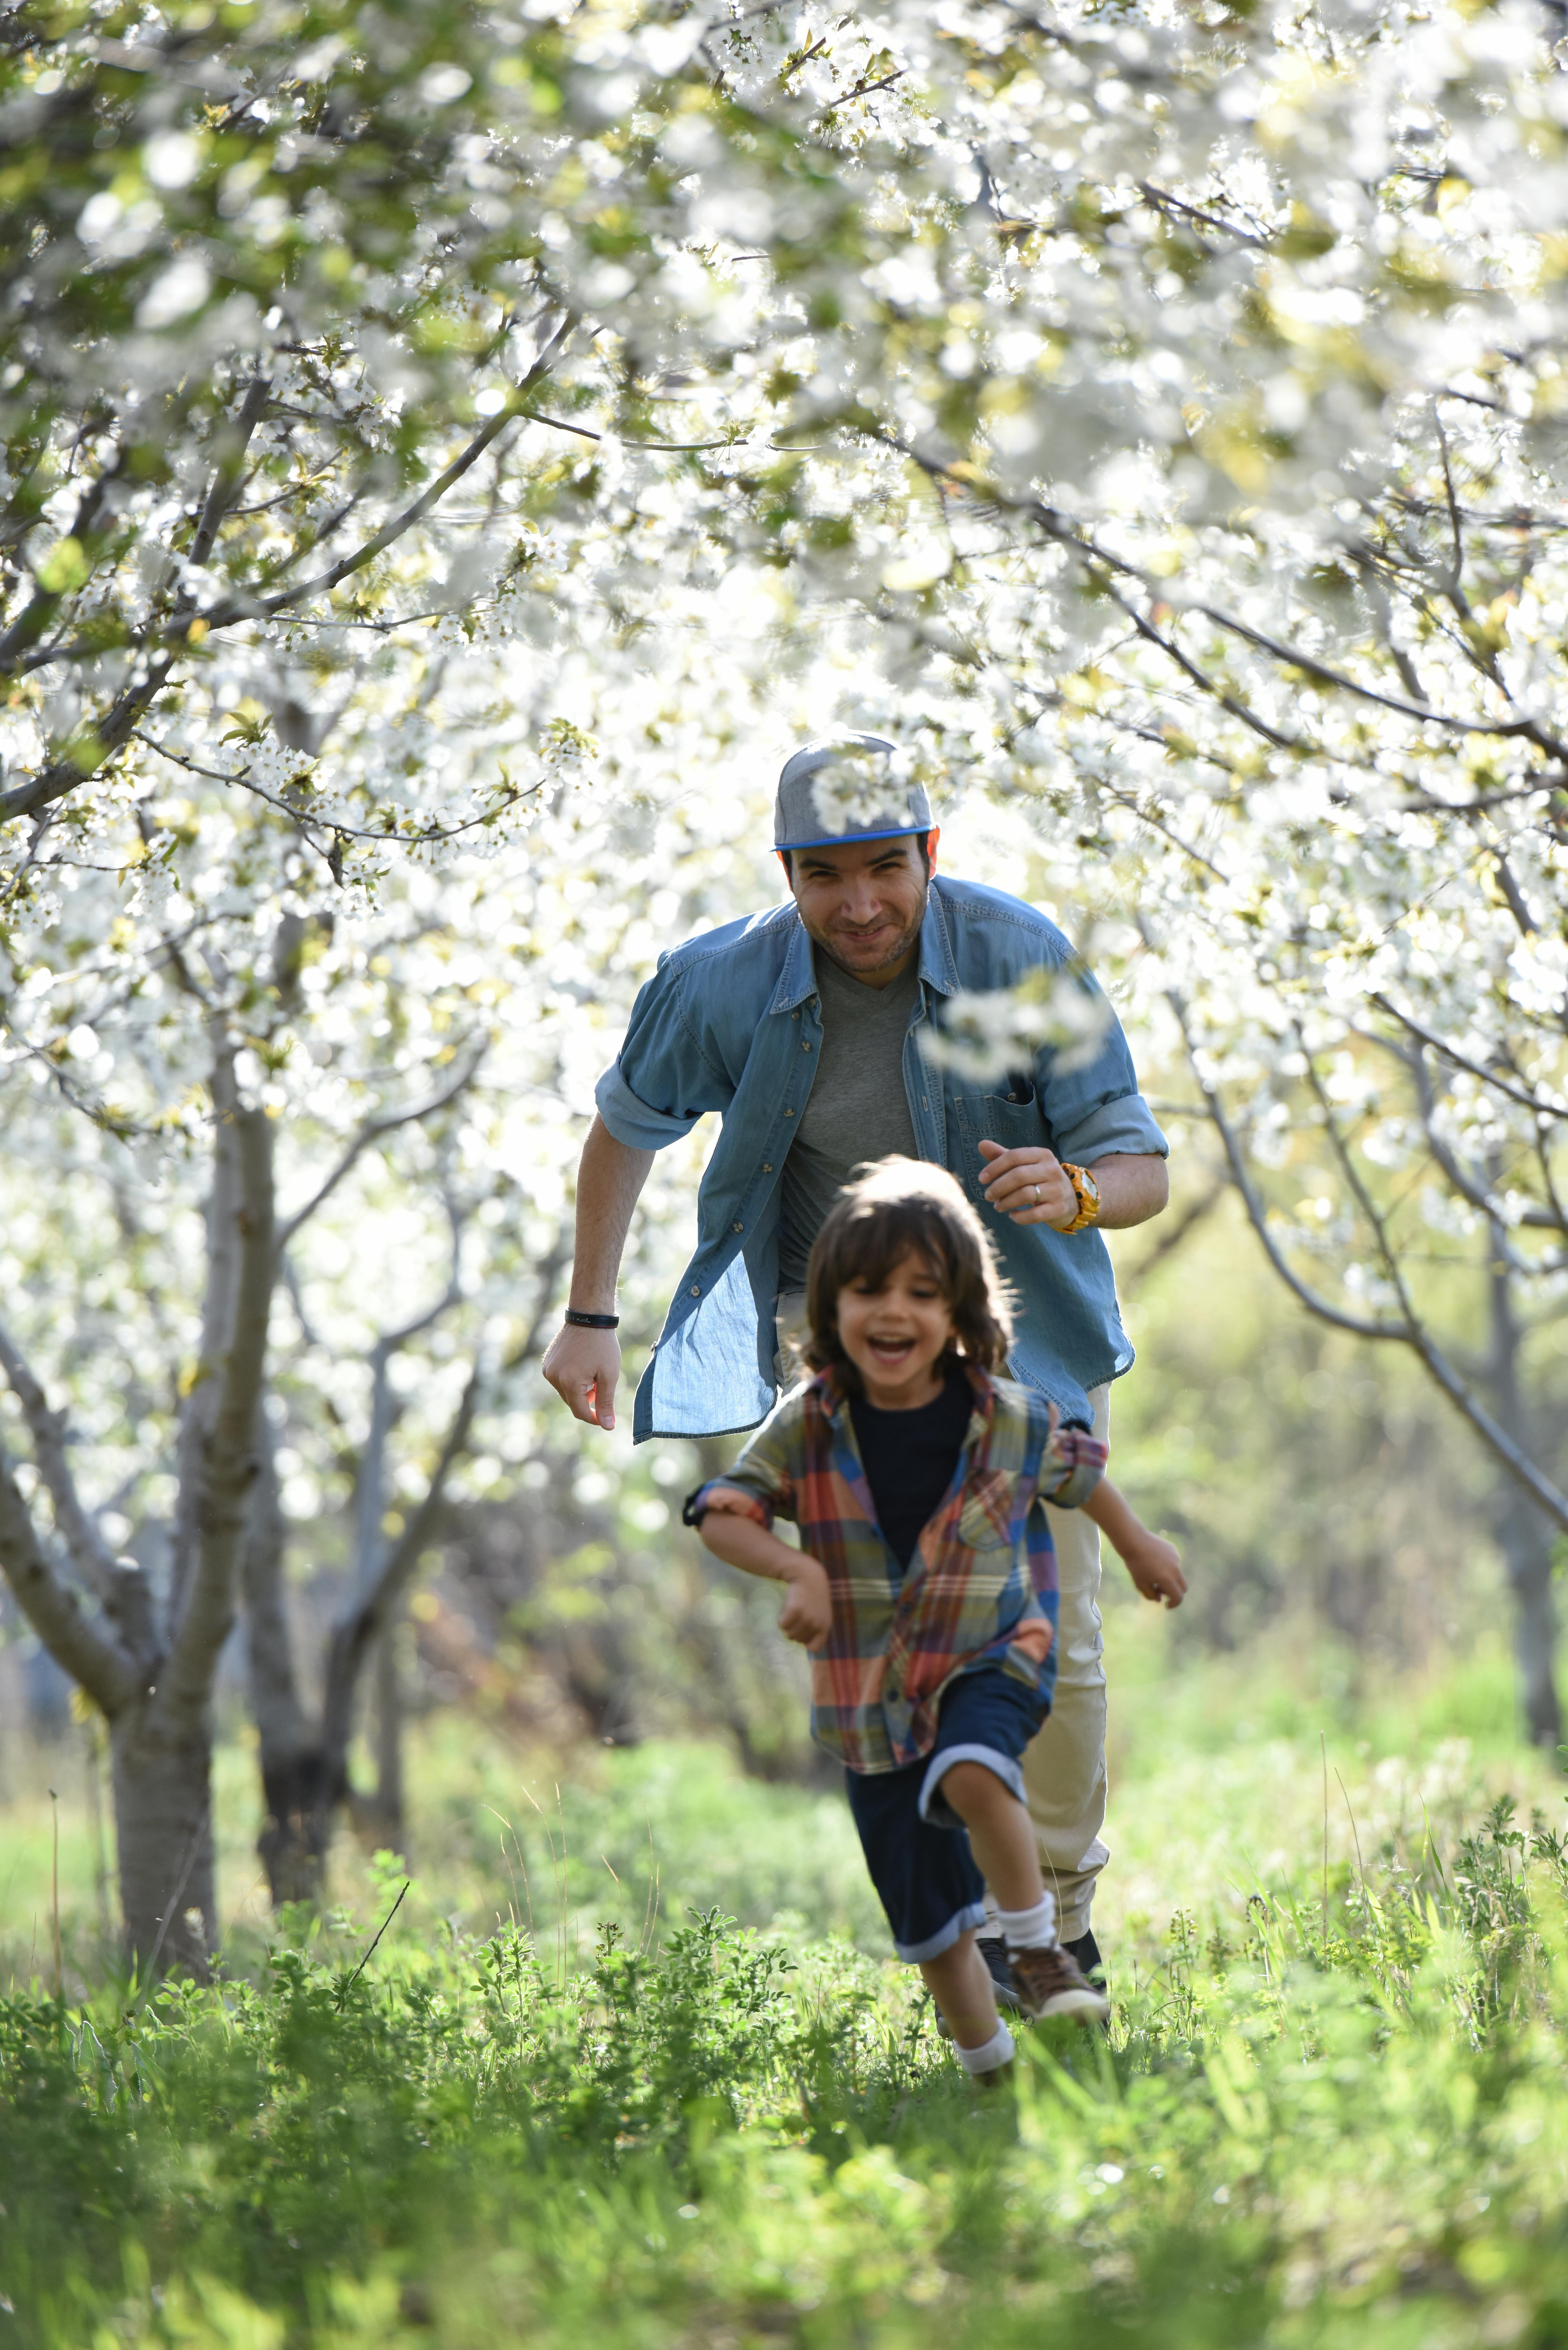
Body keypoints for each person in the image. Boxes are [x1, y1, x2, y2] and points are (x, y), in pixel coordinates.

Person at [543, 732, 1171, 1981]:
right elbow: (624, 1130)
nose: (862, 904)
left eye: (888, 867)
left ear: (930, 855)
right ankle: (984, 1927)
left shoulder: (1019, 962)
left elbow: (1142, 1166)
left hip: (1028, 1339)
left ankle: (1060, 1917)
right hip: (856, 1356)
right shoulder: (718, 984)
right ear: (786, 874)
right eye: (826, 876)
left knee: (1061, 1633)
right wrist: (590, 1310)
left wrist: (1079, 1192)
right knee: (904, 1645)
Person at [687, 1160, 1180, 2076]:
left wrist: (1143, 1546)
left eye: (923, 1292)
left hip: (992, 1654)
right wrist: (794, 1565)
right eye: (869, 1290)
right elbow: (723, 1509)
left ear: (962, 1311)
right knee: (930, 1921)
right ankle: (988, 2068)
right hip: (869, 1698)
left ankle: (1038, 1950)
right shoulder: (810, 1423)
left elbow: (1079, 1473)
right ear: (830, 1306)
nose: (894, 1313)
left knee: (974, 1766)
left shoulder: (1004, 1414)